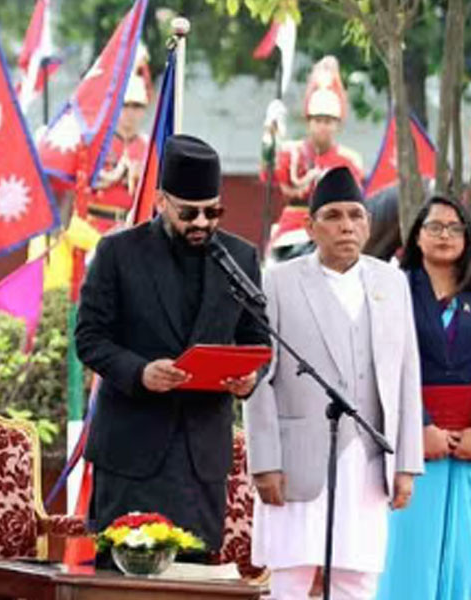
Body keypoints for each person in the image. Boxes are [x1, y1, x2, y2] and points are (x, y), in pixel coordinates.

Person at [75, 134, 270, 558]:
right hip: (131, 453)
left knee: (193, 582)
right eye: (189, 213)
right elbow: (89, 338)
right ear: (162, 200)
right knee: (126, 582)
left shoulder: (240, 258)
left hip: (200, 461)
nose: (201, 223)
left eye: (211, 211)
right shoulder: (117, 252)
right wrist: (140, 372)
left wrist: (249, 379)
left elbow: (258, 340)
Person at [246, 166, 423, 599]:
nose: (347, 225)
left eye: (356, 215)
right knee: (290, 579)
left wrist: (406, 464)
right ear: (311, 226)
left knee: (356, 582)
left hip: (367, 460)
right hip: (296, 460)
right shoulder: (278, 281)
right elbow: (259, 377)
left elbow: (406, 374)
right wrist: (264, 461)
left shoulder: (391, 282)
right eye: (334, 215)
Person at [377, 196, 471, 600]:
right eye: (434, 226)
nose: (444, 235)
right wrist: (420, 428)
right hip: (416, 443)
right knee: (409, 554)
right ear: (417, 236)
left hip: (468, 445)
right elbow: (389, 365)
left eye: (454, 228)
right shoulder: (394, 291)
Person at [263, 56, 364, 263]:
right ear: (308, 122)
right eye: (318, 120)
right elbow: (268, 175)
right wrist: (269, 139)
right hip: (292, 230)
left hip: (334, 231)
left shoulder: (349, 161)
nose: (323, 127)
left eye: (328, 121)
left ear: (337, 125)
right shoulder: (291, 153)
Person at [86, 47, 152, 233]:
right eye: (126, 106)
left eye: (137, 106)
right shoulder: (97, 143)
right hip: (94, 227)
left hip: (132, 229)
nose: (131, 113)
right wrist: (118, 173)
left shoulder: (149, 146)